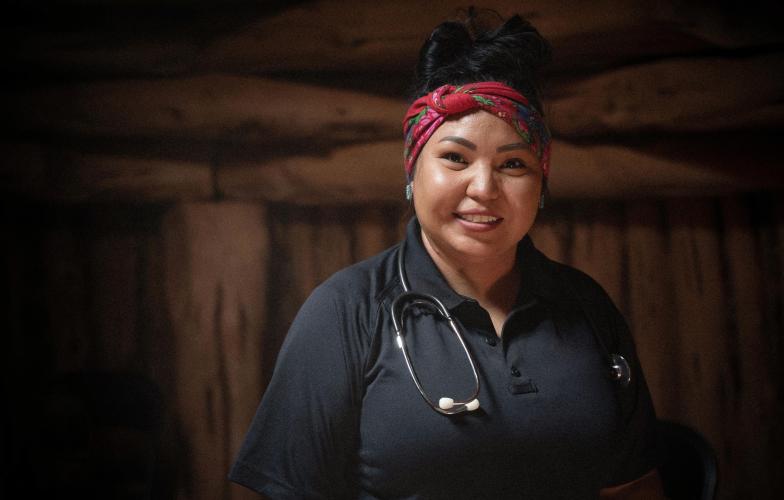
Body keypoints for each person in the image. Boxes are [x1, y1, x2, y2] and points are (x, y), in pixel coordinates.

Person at [230, 11, 664, 499]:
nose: (484, 188)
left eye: (514, 164)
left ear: (541, 182)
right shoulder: (347, 311)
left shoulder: (586, 308)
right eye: (455, 158)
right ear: (413, 169)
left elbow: (634, 487)